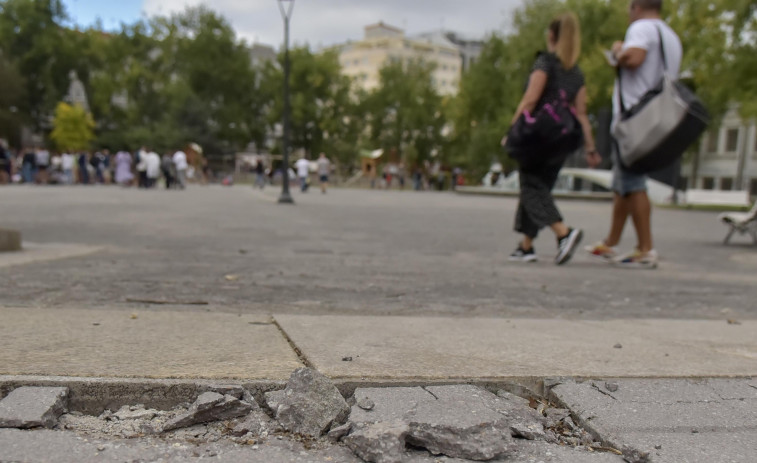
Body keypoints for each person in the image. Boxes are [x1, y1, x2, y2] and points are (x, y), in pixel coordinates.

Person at [585, 0, 680, 269]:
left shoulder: (641, 28)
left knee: (633, 181)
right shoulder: (670, 36)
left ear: (636, 6)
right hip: (657, 117)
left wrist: (618, 51)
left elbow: (634, 58)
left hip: (634, 118)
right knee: (623, 181)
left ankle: (645, 249)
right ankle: (611, 241)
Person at [505, 12, 601, 265]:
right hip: (562, 139)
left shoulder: (544, 63)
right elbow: (581, 114)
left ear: (551, 35)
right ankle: (526, 247)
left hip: (538, 136)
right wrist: (590, 147)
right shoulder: (576, 74)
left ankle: (563, 232)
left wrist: (512, 130)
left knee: (530, 187)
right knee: (539, 187)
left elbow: (530, 100)